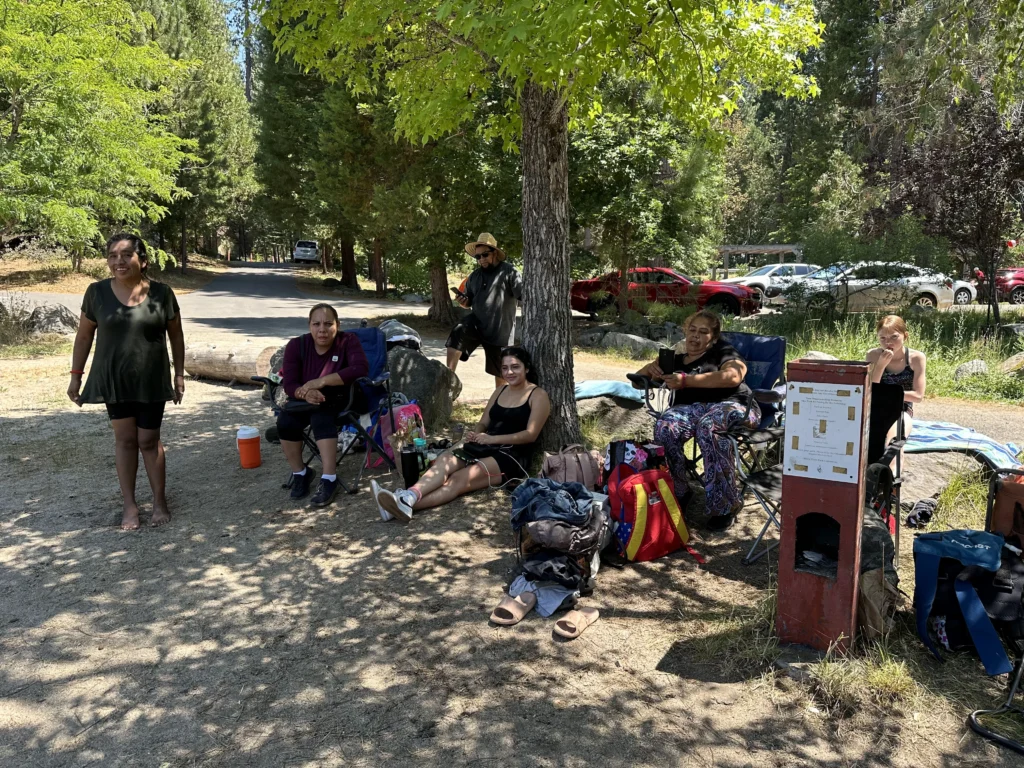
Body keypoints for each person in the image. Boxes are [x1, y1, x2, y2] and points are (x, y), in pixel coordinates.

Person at [67, 233, 185, 530]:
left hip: (151, 378)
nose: (118, 261)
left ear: (142, 260)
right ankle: (130, 505)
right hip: (113, 378)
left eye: (126, 255)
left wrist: (179, 373)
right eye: (112, 256)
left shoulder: (163, 293)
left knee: (148, 440)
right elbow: (83, 337)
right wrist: (75, 376)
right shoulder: (96, 293)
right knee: (125, 440)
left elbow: (176, 336)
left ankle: (159, 500)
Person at [373, 346, 550, 522]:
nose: (509, 372)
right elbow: (483, 422)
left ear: (526, 368)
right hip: (486, 445)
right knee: (444, 461)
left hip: (512, 455)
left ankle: (402, 504)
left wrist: (491, 438)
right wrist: (477, 433)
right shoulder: (500, 391)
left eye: (515, 367)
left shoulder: (537, 395)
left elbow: (530, 435)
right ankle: (409, 495)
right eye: (505, 368)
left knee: (458, 479)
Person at [633, 310, 758, 532]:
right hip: (693, 410)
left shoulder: (723, 352)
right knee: (665, 426)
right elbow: (636, 381)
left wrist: (687, 381)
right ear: (685, 332)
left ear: (713, 338)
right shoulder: (675, 361)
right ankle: (680, 489)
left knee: (709, 427)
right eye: (692, 330)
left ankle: (724, 505)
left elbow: (734, 376)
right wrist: (650, 369)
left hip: (735, 405)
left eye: (703, 332)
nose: (695, 336)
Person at [277, 303, 369, 507]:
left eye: (328, 324)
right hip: (304, 400)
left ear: (338, 324)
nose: (322, 329)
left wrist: (323, 381)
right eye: (316, 324)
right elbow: (290, 383)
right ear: (309, 325)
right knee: (285, 422)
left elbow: (360, 368)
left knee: (321, 417)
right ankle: (301, 473)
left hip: (340, 398)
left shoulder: (348, 341)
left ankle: (329, 479)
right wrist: (306, 393)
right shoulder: (296, 345)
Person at [446, 233, 523, 390]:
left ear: (495, 252)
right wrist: (464, 301)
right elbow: (468, 302)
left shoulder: (510, 272)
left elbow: (524, 295)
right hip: (477, 323)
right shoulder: (474, 276)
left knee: (501, 375)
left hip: (500, 330)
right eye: (478, 257)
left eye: (485, 255)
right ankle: (448, 379)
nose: (481, 259)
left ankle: (500, 403)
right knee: (458, 332)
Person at [866, 315, 926, 443]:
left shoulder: (916, 358)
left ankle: (892, 461)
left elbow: (918, 396)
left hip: (901, 408)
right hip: (876, 407)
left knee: (894, 442)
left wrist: (887, 395)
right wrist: (881, 366)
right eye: (883, 338)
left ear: (905, 335)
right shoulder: (873, 355)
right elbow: (869, 389)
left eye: (894, 337)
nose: (888, 343)